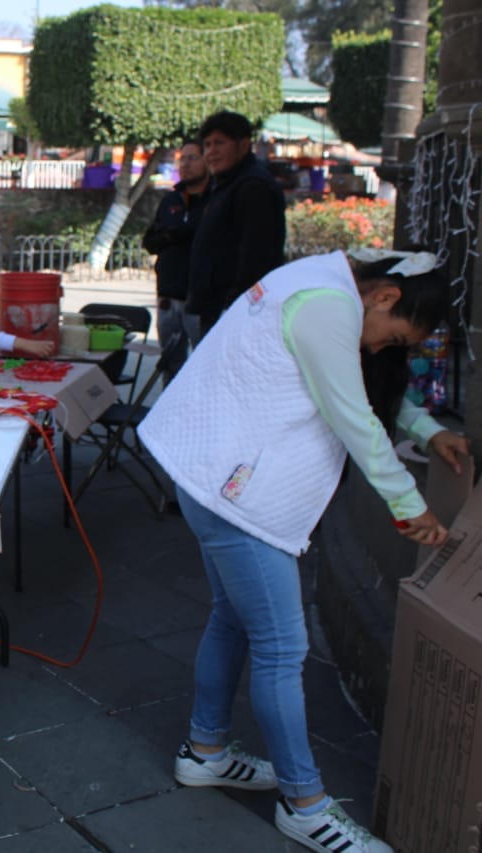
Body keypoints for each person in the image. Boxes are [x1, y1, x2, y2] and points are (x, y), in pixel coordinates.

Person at [139, 249, 470, 853]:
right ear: (386, 297)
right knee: (282, 646)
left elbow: (353, 388)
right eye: (392, 336)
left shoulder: (320, 280)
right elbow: (352, 413)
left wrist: (429, 429)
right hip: (235, 493)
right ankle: (304, 804)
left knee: (235, 619)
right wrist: (406, 502)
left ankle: (205, 750)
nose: (381, 349)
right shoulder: (326, 305)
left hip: (211, 476)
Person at [185, 111, 286, 337]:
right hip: (212, 309)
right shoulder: (226, 185)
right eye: (207, 144)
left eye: (220, 143)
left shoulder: (253, 186)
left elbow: (256, 255)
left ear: (243, 145)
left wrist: (233, 308)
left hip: (234, 313)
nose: (211, 152)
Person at [142, 140, 209, 379]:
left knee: (205, 363)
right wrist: (171, 235)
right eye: (183, 159)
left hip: (199, 297)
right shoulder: (172, 200)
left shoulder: (216, 200)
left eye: (193, 158)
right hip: (168, 294)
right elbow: (150, 240)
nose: (186, 165)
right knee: (170, 363)